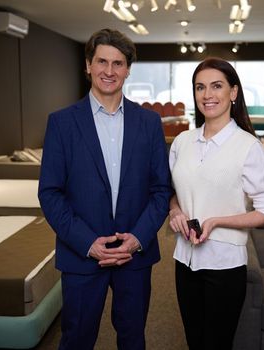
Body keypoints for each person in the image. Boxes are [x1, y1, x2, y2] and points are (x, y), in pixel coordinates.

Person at [38, 28, 172, 350]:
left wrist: (137, 239)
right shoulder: (61, 123)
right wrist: (88, 243)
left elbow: (160, 189)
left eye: (118, 63)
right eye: (101, 62)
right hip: (82, 256)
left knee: (132, 338)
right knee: (77, 339)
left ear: (127, 69)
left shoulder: (149, 123)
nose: (109, 71)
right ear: (88, 65)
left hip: (134, 256)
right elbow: (50, 193)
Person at [168, 57, 264, 350]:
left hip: (225, 266)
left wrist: (217, 221)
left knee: (216, 344)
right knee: (194, 341)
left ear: (233, 92)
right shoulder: (182, 142)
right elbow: (175, 190)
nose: (207, 95)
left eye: (217, 86)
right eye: (200, 87)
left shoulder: (249, 148)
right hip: (184, 260)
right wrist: (175, 210)